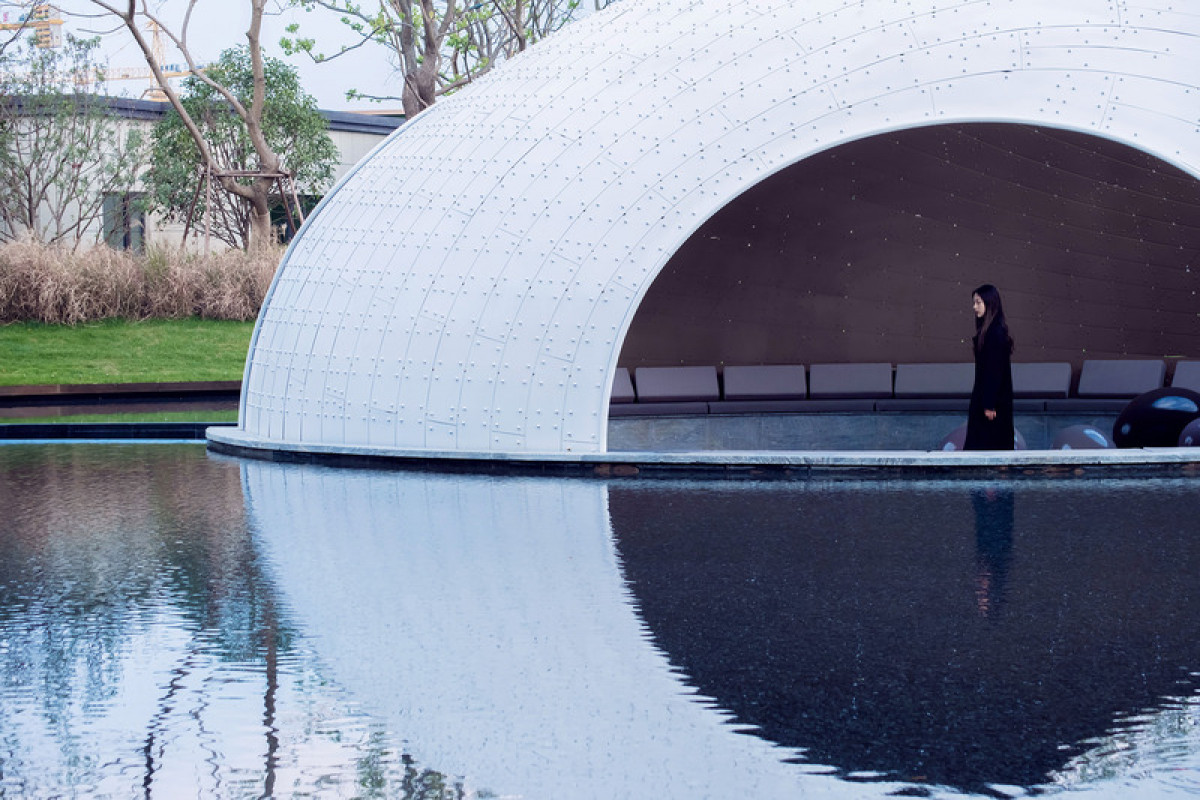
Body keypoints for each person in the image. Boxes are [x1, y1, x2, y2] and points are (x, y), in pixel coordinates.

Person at [964, 284, 1014, 450]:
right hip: (986, 399)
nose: (974, 307)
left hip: (992, 404)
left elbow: (995, 372)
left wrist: (989, 404)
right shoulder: (988, 332)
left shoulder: (995, 334)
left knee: (988, 444)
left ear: (989, 303)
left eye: (978, 302)